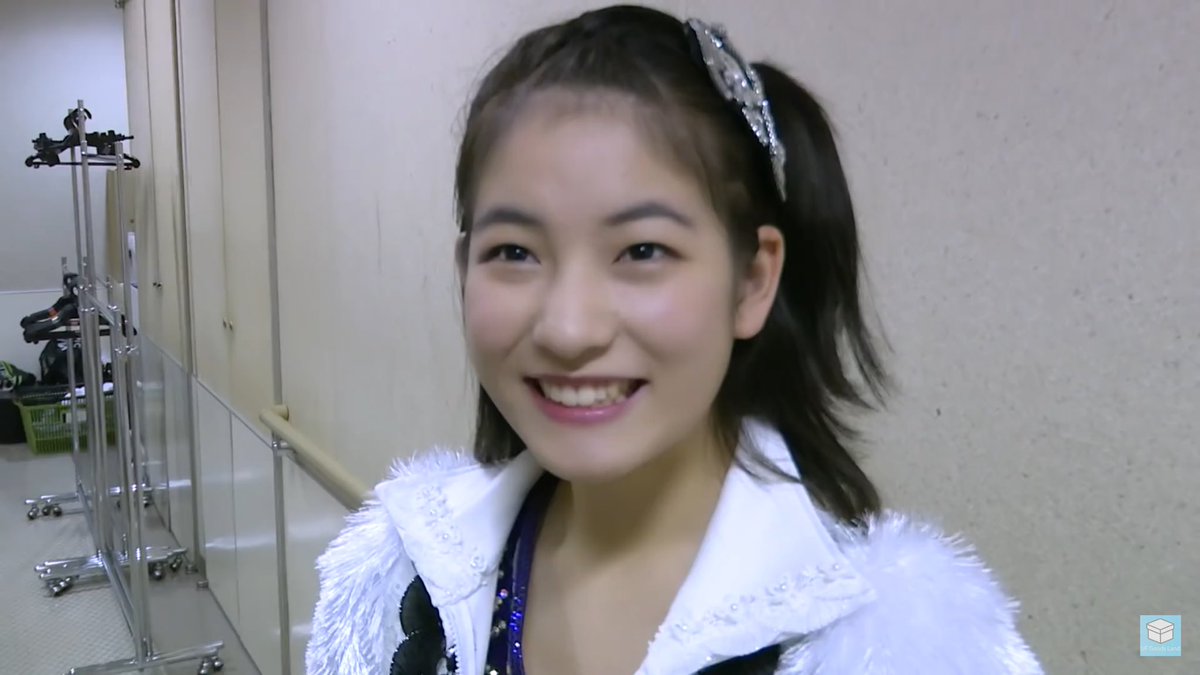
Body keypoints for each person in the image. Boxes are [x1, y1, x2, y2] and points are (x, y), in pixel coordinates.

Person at [306, 5, 1044, 674]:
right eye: (515, 252)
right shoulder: (399, 575)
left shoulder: (908, 645)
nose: (568, 329)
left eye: (642, 251)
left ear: (752, 281)